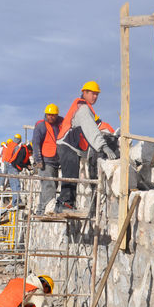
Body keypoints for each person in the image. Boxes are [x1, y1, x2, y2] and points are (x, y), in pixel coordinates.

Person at [55, 81, 117, 213]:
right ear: (84, 92)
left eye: (97, 94)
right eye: (93, 94)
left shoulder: (83, 107)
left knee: (71, 175)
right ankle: (64, 204)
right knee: (70, 176)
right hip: (67, 145)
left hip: (69, 146)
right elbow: (91, 130)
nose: (95, 97)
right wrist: (103, 146)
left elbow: (95, 128)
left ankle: (66, 204)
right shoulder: (83, 109)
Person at [32, 104, 63, 215]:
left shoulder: (59, 124)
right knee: (49, 185)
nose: (51, 117)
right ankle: (48, 209)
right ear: (46, 114)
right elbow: (35, 143)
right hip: (45, 161)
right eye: (49, 115)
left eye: (53, 115)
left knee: (50, 185)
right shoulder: (41, 126)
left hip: (55, 161)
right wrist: (38, 160)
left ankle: (40, 210)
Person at [4, 134, 22, 206]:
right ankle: (17, 201)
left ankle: (15, 202)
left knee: (12, 184)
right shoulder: (16, 147)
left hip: (8, 165)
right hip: (13, 166)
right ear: (19, 140)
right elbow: (17, 157)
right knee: (16, 184)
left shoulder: (9, 145)